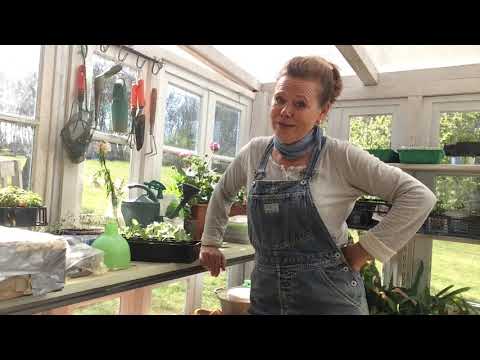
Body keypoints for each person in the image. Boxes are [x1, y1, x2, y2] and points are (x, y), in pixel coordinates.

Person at [199, 56, 436, 315]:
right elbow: (223, 192)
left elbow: (418, 196)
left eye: (300, 104)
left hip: (329, 300)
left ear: (322, 113)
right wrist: (210, 240)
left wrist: (365, 250)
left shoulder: (341, 157)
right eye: (279, 99)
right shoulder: (254, 152)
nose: (285, 111)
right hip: (266, 300)